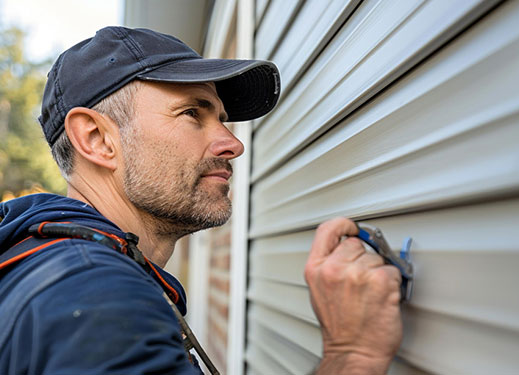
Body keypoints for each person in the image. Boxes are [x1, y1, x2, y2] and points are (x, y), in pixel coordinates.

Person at [0, 27, 402, 374]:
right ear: (96, 139)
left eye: (222, 120)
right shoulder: (97, 298)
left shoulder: (43, 262)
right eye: (193, 113)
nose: (233, 144)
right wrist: (353, 355)